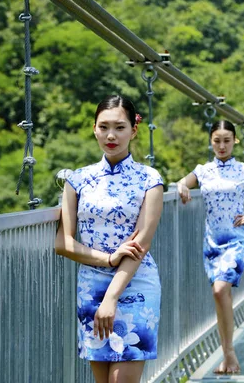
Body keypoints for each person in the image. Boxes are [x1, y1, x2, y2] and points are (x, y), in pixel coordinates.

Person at [55, 95, 164, 383]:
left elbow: (141, 244)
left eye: (120, 127)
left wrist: (112, 298)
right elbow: (62, 243)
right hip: (91, 285)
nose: (111, 135)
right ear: (94, 129)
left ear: (134, 130)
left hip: (135, 283)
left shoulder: (149, 180)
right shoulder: (77, 180)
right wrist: (107, 259)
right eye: (103, 127)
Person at [176, 120, 244, 374]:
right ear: (211, 141)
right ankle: (228, 355)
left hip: (237, 239)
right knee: (221, 295)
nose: (222, 145)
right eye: (217, 140)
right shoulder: (203, 170)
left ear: (235, 141)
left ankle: (229, 353)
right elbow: (182, 182)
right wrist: (182, 187)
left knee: (219, 291)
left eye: (227, 140)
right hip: (212, 242)